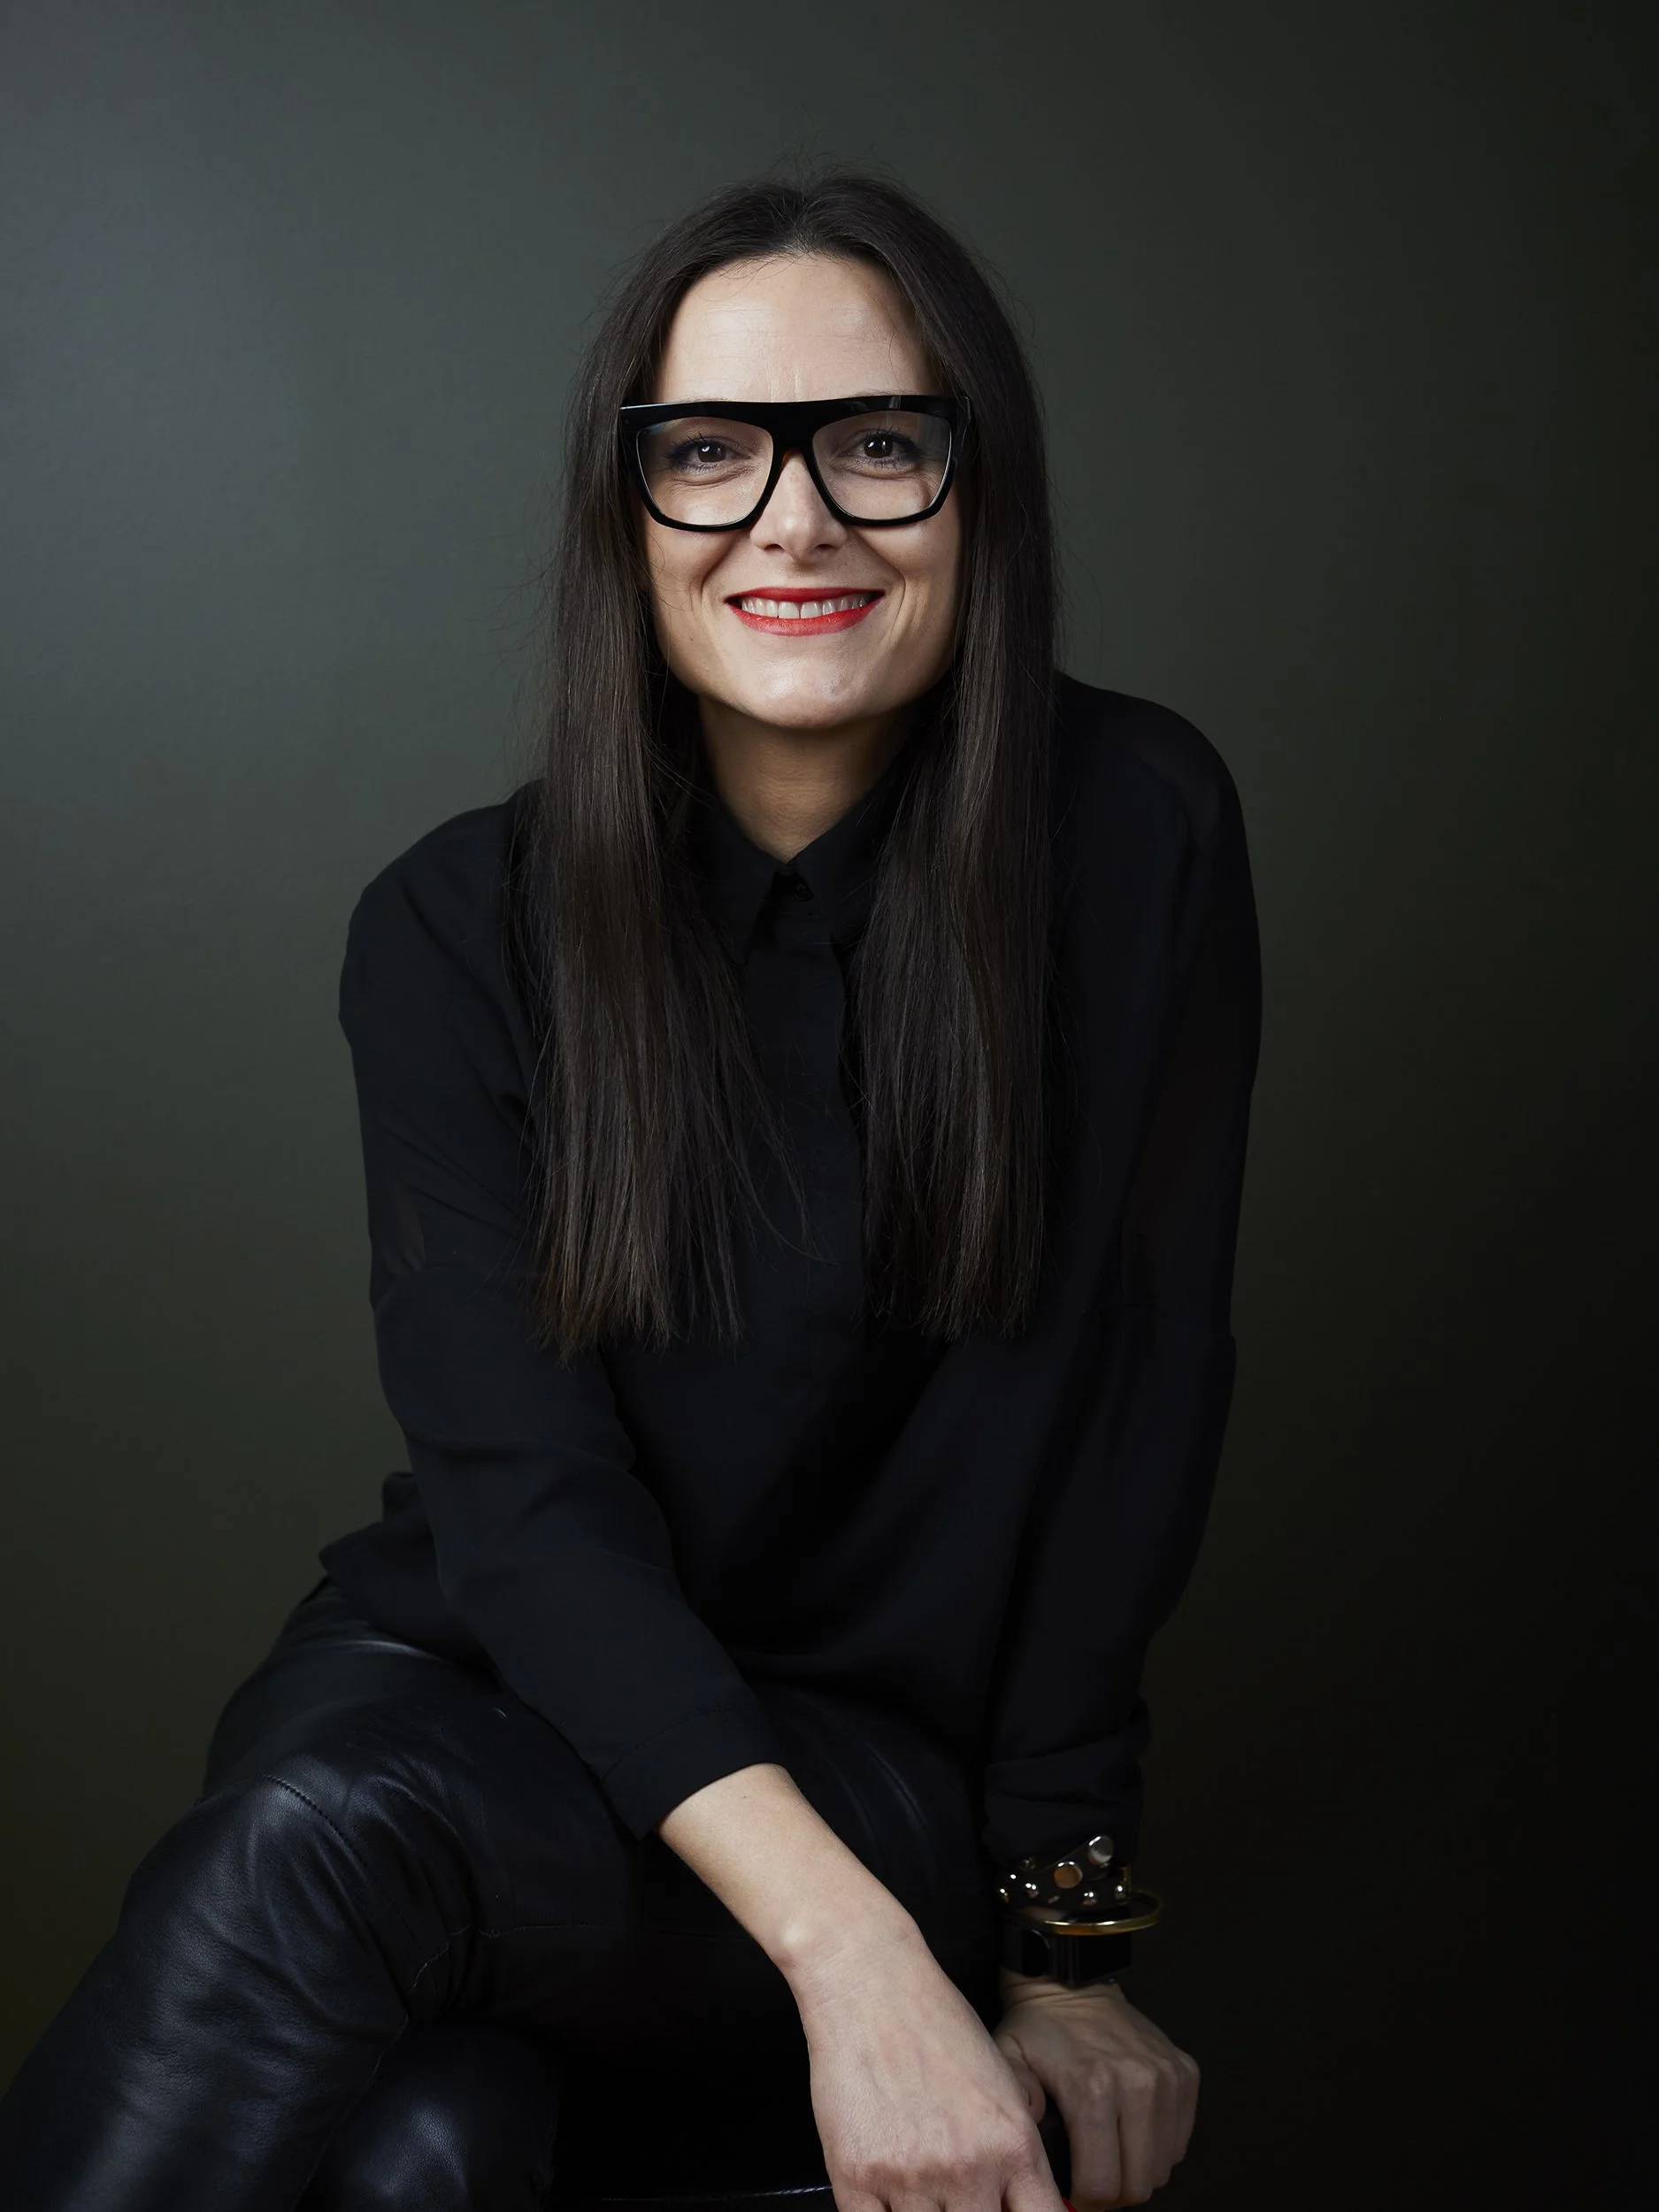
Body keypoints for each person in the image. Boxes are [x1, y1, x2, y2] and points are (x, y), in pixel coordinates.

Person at [0, 172, 1261, 2212]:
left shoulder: (1132, 832)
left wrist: (1058, 1951)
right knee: (427, 2141)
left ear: (982, 490)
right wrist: (853, 1967)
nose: (793, 519)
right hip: (454, 1684)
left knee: (334, 1841)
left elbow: (1139, 1402)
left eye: (876, 442)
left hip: (853, 1760)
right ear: (628, 512)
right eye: (707, 452)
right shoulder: (452, 925)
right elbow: (525, 1505)